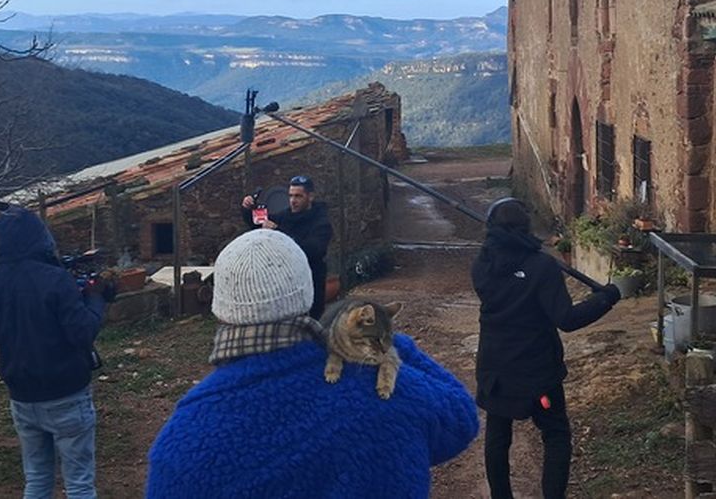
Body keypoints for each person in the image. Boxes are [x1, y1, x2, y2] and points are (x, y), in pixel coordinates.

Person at [146, 229, 478, 498]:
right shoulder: (386, 391)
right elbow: (462, 418)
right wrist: (396, 345)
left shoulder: (180, 444)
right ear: (309, 293)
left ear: (219, 309)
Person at [472, 197, 622, 499]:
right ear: (526, 228)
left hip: (495, 367)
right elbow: (566, 319)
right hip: (537, 371)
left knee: (498, 436)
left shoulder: (483, 264)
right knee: (555, 435)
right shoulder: (542, 267)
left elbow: (508, 269)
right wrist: (605, 298)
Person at [0, 207, 116, 499]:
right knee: (78, 483)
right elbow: (82, 333)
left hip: (22, 395)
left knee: (37, 479)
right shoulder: (55, 278)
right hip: (65, 393)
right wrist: (96, 299)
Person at [240, 175, 333, 319]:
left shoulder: (321, 222)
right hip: (287, 282)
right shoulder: (286, 216)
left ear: (310, 197)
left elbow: (313, 249)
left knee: (312, 323)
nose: (293, 201)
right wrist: (248, 209)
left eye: (298, 196)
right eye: (290, 196)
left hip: (311, 279)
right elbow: (260, 224)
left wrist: (279, 233)